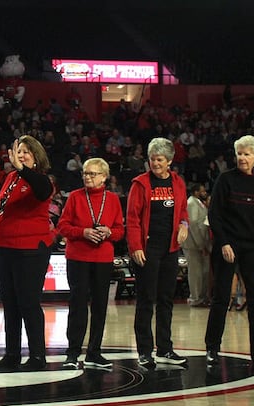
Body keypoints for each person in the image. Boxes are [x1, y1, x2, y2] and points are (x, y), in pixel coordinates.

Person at [205, 135, 254, 370]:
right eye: (240, 153)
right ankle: (212, 348)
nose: (242, 157)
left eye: (247, 154)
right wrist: (224, 243)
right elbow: (214, 215)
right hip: (227, 246)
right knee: (221, 298)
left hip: (252, 248)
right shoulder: (225, 180)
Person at [0, 135, 55, 372]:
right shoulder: (10, 177)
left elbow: (42, 189)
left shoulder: (42, 180)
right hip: (5, 246)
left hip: (30, 249)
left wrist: (22, 169)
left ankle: (38, 356)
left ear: (37, 156)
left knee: (28, 303)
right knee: (10, 303)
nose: (21, 155)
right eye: (18, 151)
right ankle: (12, 354)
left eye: (27, 151)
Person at [126, 137, 189, 368]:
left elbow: (183, 210)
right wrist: (136, 247)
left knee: (166, 300)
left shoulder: (178, 182)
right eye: (152, 159)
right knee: (146, 300)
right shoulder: (140, 184)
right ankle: (144, 351)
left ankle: (165, 349)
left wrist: (185, 225)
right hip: (147, 249)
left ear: (170, 161)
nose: (155, 163)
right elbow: (132, 219)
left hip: (170, 248)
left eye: (160, 159)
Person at [57, 158, 125, 370]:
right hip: (78, 257)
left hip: (103, 259)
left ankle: (94, 352)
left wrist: (109, 232)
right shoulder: (75, 197)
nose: (87, 177)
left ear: (104, 177)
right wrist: (83, 232)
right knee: (77, 306)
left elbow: (121, 231)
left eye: (92, 174)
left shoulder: (113, 199)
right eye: (85, 173)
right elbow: (62, 226)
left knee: (100, 306)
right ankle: (73, 352)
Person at [183, 182, 211, 308]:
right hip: (193, 244)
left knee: (203, 272)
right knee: (195, 272)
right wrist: (201, 245)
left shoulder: (198, 203)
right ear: (195, 192)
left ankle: (202, 296)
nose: (205, 193)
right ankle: (195, 298)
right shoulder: (191, 204)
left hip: (200, 242)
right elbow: (193, 225)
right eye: (202, 191)